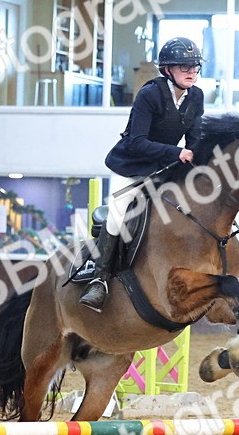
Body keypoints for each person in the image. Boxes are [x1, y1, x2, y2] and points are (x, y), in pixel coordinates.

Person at [78, 37, 205, 311]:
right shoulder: (150, 94)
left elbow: (195, 138)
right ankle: (99, 279)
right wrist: (176, 153)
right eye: (184, 66)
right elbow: (137, 141)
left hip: (165, 168)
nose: (192, 71)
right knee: (118, 211)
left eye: (195, 66)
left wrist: (196, 157)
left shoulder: (196, 96)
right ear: (167, 69)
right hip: (132, 165)